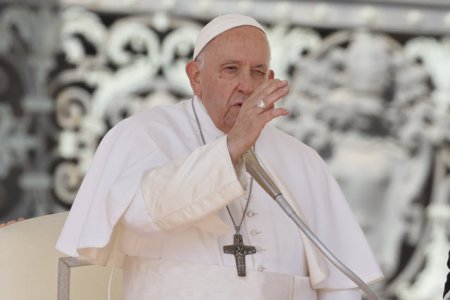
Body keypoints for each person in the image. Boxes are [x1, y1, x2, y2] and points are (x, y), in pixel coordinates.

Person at [56, 14, 383, 299]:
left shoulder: (302, 160)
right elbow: (141, 213)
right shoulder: (143, 135)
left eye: (257, 72)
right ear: (196, 77)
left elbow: (340, 284)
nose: (245, 84)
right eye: (230, 69)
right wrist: (231, 148)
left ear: (269, 80)